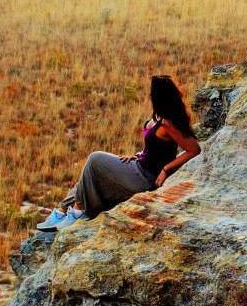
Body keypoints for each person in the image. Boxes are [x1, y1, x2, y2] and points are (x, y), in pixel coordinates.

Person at [37, 75, 200, 231]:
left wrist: (166, 170)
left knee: (95, 160)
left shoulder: (168, 123)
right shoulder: (157, 116)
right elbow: (155, 148)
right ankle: (63, 211)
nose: (150, 95)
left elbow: (194, 149)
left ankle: (77, 213)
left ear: (159, 96)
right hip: (138, 164)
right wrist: (139, 154)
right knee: (87, 177)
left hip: (145, 177)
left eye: (152, 93)